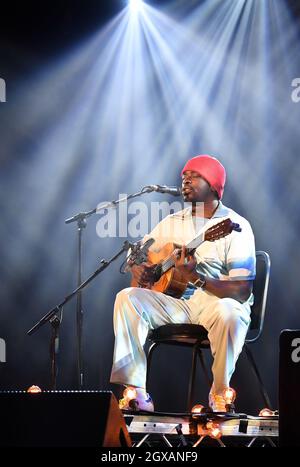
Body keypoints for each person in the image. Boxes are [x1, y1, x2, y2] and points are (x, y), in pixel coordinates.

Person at [110, 154, 256, 412]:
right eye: (184, 177)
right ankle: (136, 393)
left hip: (217, 304)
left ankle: (220, 394)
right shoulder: (172, 222)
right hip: (180, 306)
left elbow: (241, 291)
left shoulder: (233, 226)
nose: (185, 180)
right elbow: (137, 252)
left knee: (229, 312)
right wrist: (140, 269)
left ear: (213, 185)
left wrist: (195, 277)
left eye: (194, 176)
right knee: (128, 297)